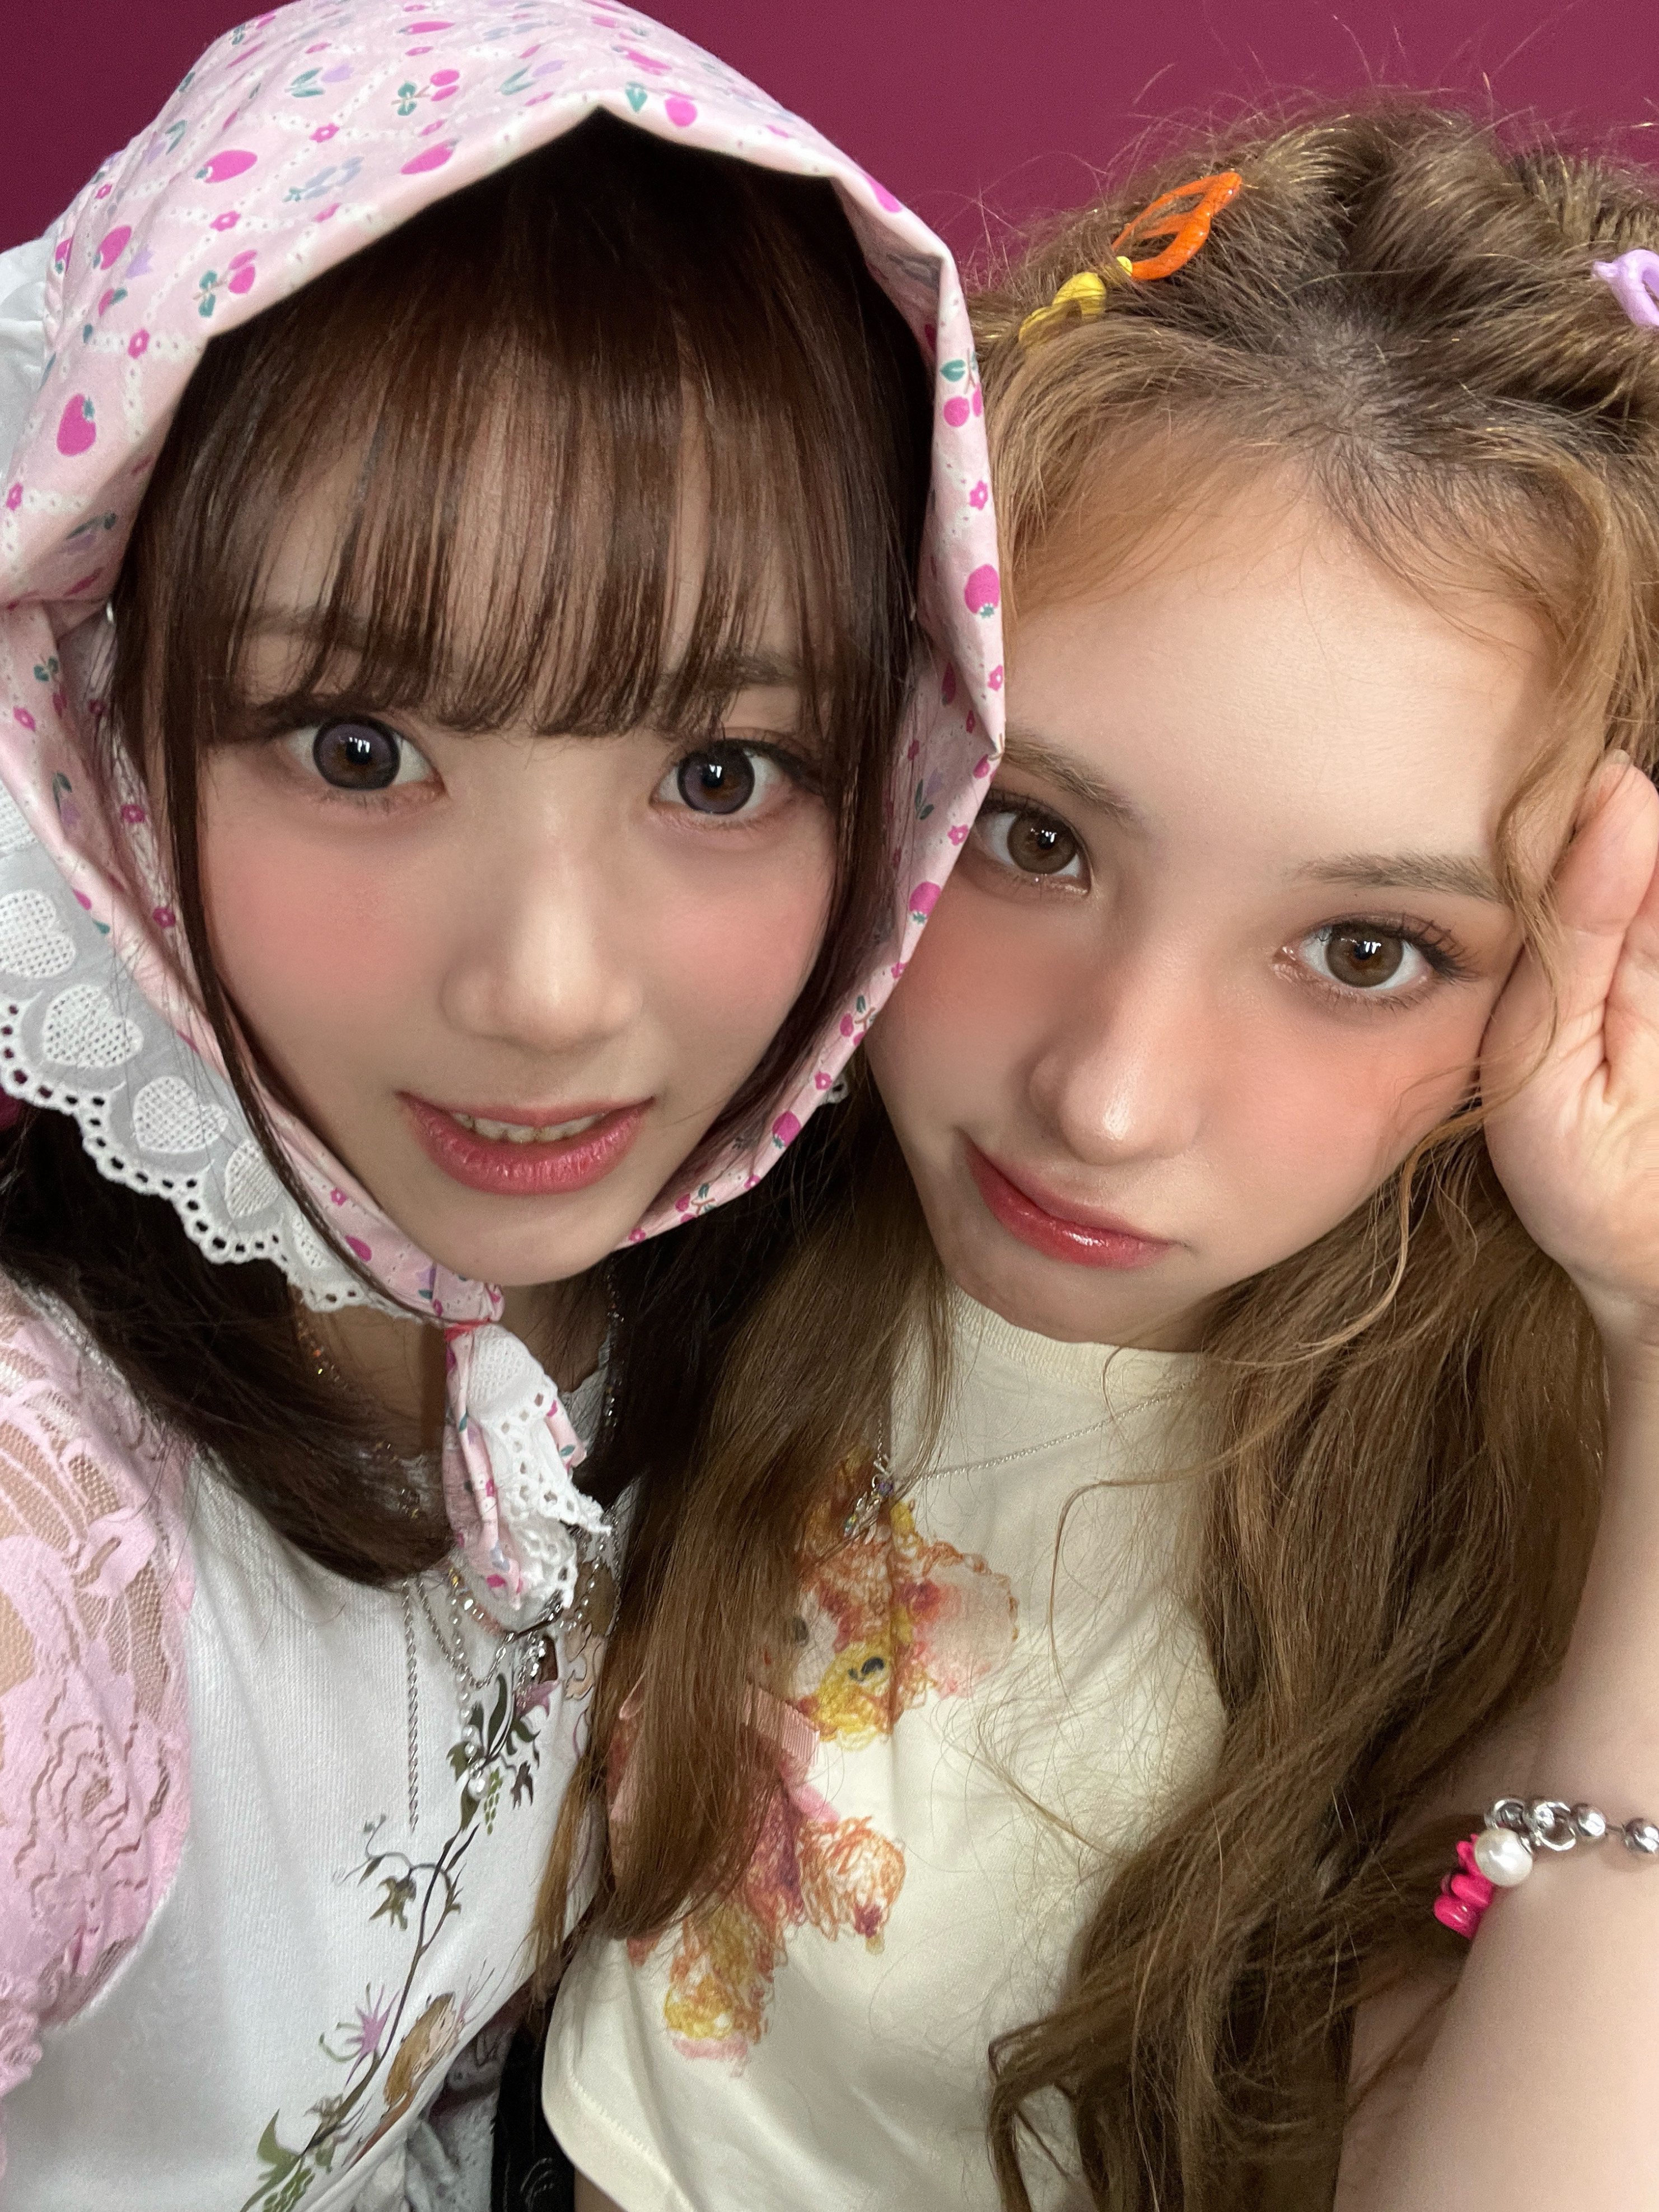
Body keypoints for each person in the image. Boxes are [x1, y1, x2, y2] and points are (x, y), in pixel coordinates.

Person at [537, 105, 1659, 2210]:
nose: (1107, 1099)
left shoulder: (1518, 1558)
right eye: (1032, 837)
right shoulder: (714, 1178)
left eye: (1364, 950)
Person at [0, 3, 1003, 2205]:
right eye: (356, 747)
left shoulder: (754, 1312)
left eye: (720, 771)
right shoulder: (48, 1527)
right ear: (99, 731)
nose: (547, 993)